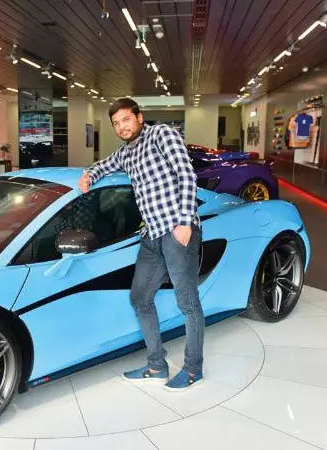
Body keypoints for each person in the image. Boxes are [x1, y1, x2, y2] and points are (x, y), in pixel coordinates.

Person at [79, 97, 204, 391]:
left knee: (187, 303)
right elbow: (104, 165)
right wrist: (89, 175)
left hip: (176, 230)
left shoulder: (161, 135)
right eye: (116, 123)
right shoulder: (126, 153)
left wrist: (185, 222)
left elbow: (186, 174)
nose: (122, 127)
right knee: (140, 298)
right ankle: (156, 365)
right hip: (152, 235)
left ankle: (193, 369)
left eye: (126, 119)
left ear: (139, 117)